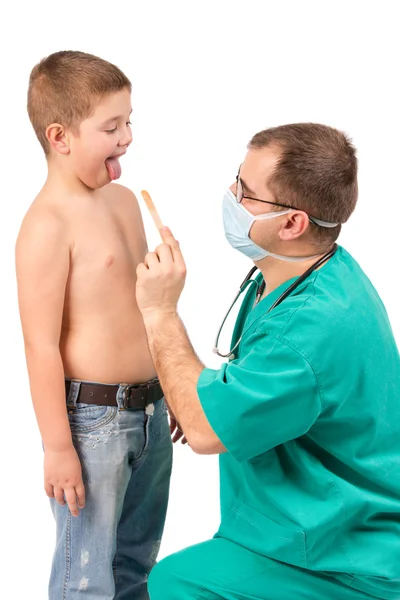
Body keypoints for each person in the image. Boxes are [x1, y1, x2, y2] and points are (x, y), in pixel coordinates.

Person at [135, 123, 400, 600]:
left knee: (174, 584)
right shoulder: (309, 273)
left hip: (343, 560)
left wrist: (159, 311)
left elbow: (205, 432)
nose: (230, 197)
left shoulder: (309, 330)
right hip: (309, 527)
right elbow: (262, 383)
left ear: (292, 223)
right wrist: (204, 394)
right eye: (237, 180)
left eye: (246, 193)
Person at [15, 50, 172, 600]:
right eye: (111, 126)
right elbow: (40, 344)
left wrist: (170, 387)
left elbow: (144, 308)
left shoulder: (125, 200)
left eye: (129, 121)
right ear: (60, 137)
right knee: (86, 574)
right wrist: (57, 447)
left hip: (152, 409)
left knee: (137, 561)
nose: (127, 136)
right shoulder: (46, 225)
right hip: (93, 423)